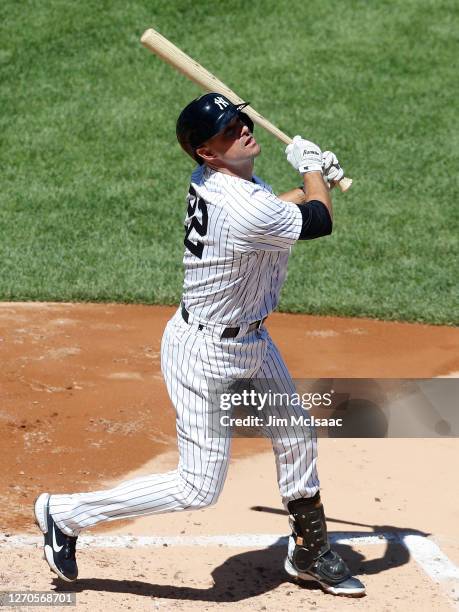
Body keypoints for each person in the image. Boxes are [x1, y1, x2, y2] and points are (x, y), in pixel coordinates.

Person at [34, 93, 365, 597]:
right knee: (197, 488)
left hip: (249, 340)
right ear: (207, 153)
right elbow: (320, 219)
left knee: (296, 434)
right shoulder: (241, 206)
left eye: (240, 120)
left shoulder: (224, 184)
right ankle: (65, 515)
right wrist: (314, 173)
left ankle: (310, 550)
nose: (242, 130)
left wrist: (308, 180)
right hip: (206, 355)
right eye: (228, 131)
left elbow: (279, 207)